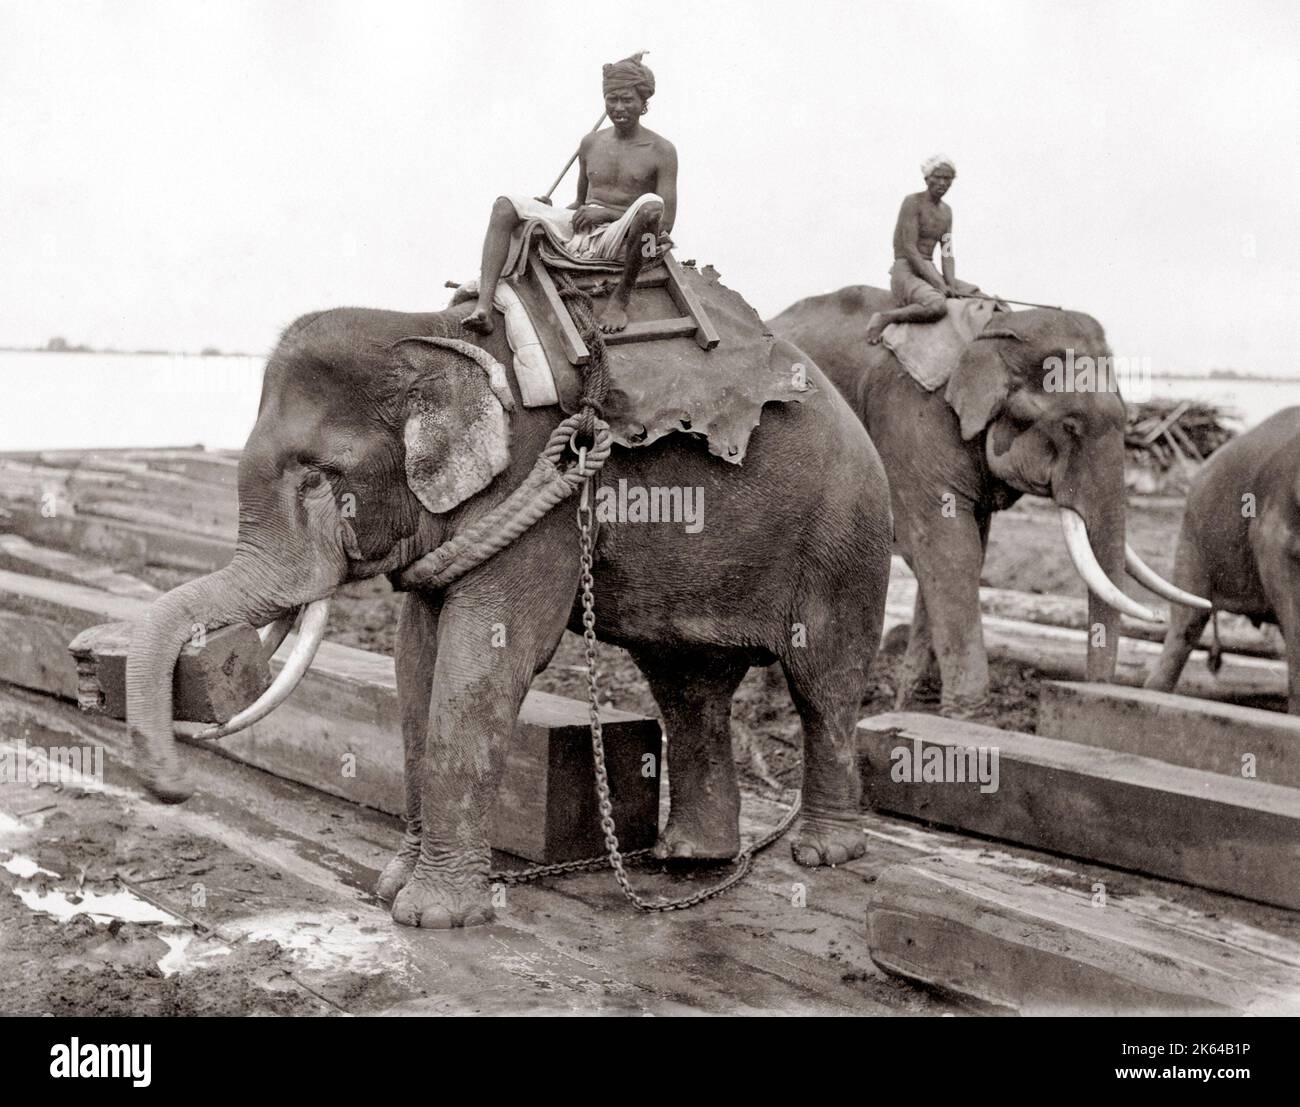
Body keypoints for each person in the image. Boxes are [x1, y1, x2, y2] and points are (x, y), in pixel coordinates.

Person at [463, 54, 678, 336]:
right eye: (612, 99)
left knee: (652, 206)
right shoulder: (591, 142)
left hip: (628, 238)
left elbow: (666, 223)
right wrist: (545, 212)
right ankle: (483, 307)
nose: (619, 107)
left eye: (627, 100)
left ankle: (620, 299)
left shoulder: (661, 150)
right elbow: (579, 203)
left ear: (643, 103)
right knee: (506, 205)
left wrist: (608, 214)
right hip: (584, 231)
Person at [865, 154, 980, 344]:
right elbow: (910, 249)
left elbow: (947, 252)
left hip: (929, 270)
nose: (943, 183)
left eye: (948, 179)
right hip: (906, 270)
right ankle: (885, 317)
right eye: (939, 177)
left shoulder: (947, 212)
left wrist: (950, 285)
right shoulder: (912, 202)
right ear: (927, 179)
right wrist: (940, 285)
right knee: (936, 305)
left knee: (976, 296)